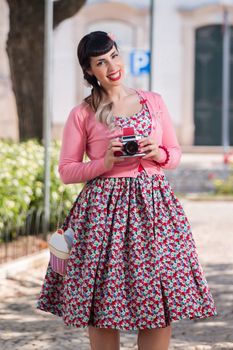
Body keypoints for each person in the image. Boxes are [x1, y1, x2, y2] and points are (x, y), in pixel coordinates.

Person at [36, 31, 218, 350]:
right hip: (102, 214)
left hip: (155, 209)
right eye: (101, 62)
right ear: (89, 70)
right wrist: (104, 161)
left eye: (115, 56)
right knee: (104, 302)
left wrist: (157, 153)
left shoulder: (154, 101)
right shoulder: (82, 113)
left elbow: (174, 154)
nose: (112, 66)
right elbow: (66, 171)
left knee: (159, 297)